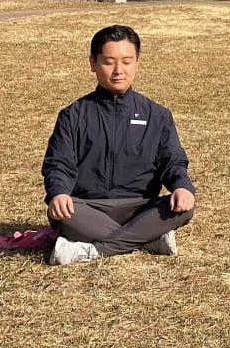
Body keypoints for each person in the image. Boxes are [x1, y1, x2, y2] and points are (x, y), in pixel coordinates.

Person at [41, 24, 197, 265]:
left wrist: (182, 186)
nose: (118, 71)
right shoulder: (73, 115)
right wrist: (59, 192)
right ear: (93, 63)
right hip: (88, 208)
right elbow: (58, 164)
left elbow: (173, 161)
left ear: (137, 63)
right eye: (109, 61)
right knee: (63, 215)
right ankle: (147, 238)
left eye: (126, 61)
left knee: (184, 208)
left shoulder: (157, 115)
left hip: (140, 207)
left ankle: (90, 251)